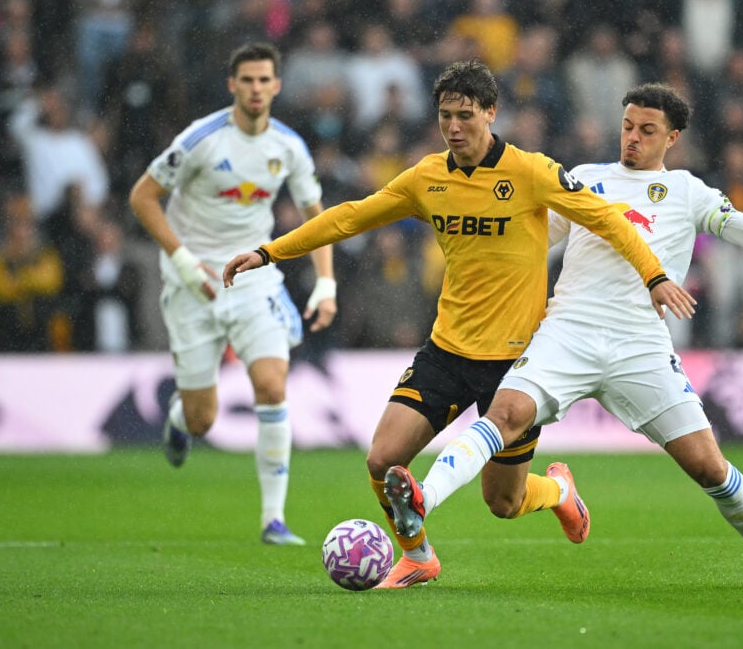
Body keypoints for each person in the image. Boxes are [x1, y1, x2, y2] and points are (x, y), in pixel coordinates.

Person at [223, 61, 695, 587]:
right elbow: (351, 215)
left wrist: (654, 275)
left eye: (466, 115)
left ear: (491, 113)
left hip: (516, 365)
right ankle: (419, 555)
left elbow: (607, 218)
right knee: (382, 458)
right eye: (446, 115)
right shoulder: (428, 178)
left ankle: (559, 492)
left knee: (504, 502)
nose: (454, 127)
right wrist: (270, 252)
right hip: (447, 351)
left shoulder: (531, 172)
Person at [384, 83, 743, 589]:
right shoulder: (584, 180)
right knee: (504, 415)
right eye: (626, 127)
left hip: (640, 346)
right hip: (567, 331)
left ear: (673, 137)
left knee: (709, 467)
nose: (632, 139)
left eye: (647, 131)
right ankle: (423, 495)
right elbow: (532, 240)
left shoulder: (690, 192)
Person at [128, 42, 336, 546]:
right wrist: (182, 260)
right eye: (247, 80)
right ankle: (181, 419)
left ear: (277, 85)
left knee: (271, 383)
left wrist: (326, 283)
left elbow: (318, 216)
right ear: (232, 85)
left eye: (265, 80)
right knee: (204, 419)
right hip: (191, 283)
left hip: (254, 275)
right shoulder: (201, 140)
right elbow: (142, 197)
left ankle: (274, 519)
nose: (256, 89)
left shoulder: (288, 147)